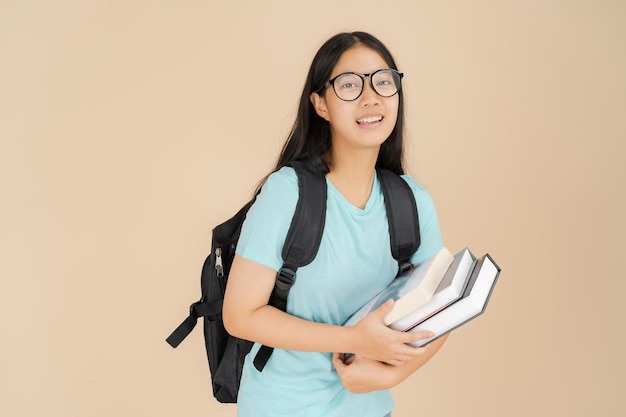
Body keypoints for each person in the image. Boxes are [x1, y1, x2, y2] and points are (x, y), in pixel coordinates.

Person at [223, 31, 448, 417]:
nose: (371, 97)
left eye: (383, 82)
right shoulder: (287, 192)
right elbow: (240, 315)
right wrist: (356, 340)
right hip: (283, 408)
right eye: (348, 85)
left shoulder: (411, 200)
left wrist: (393, 377)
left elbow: (442, 309)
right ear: (320, 105)